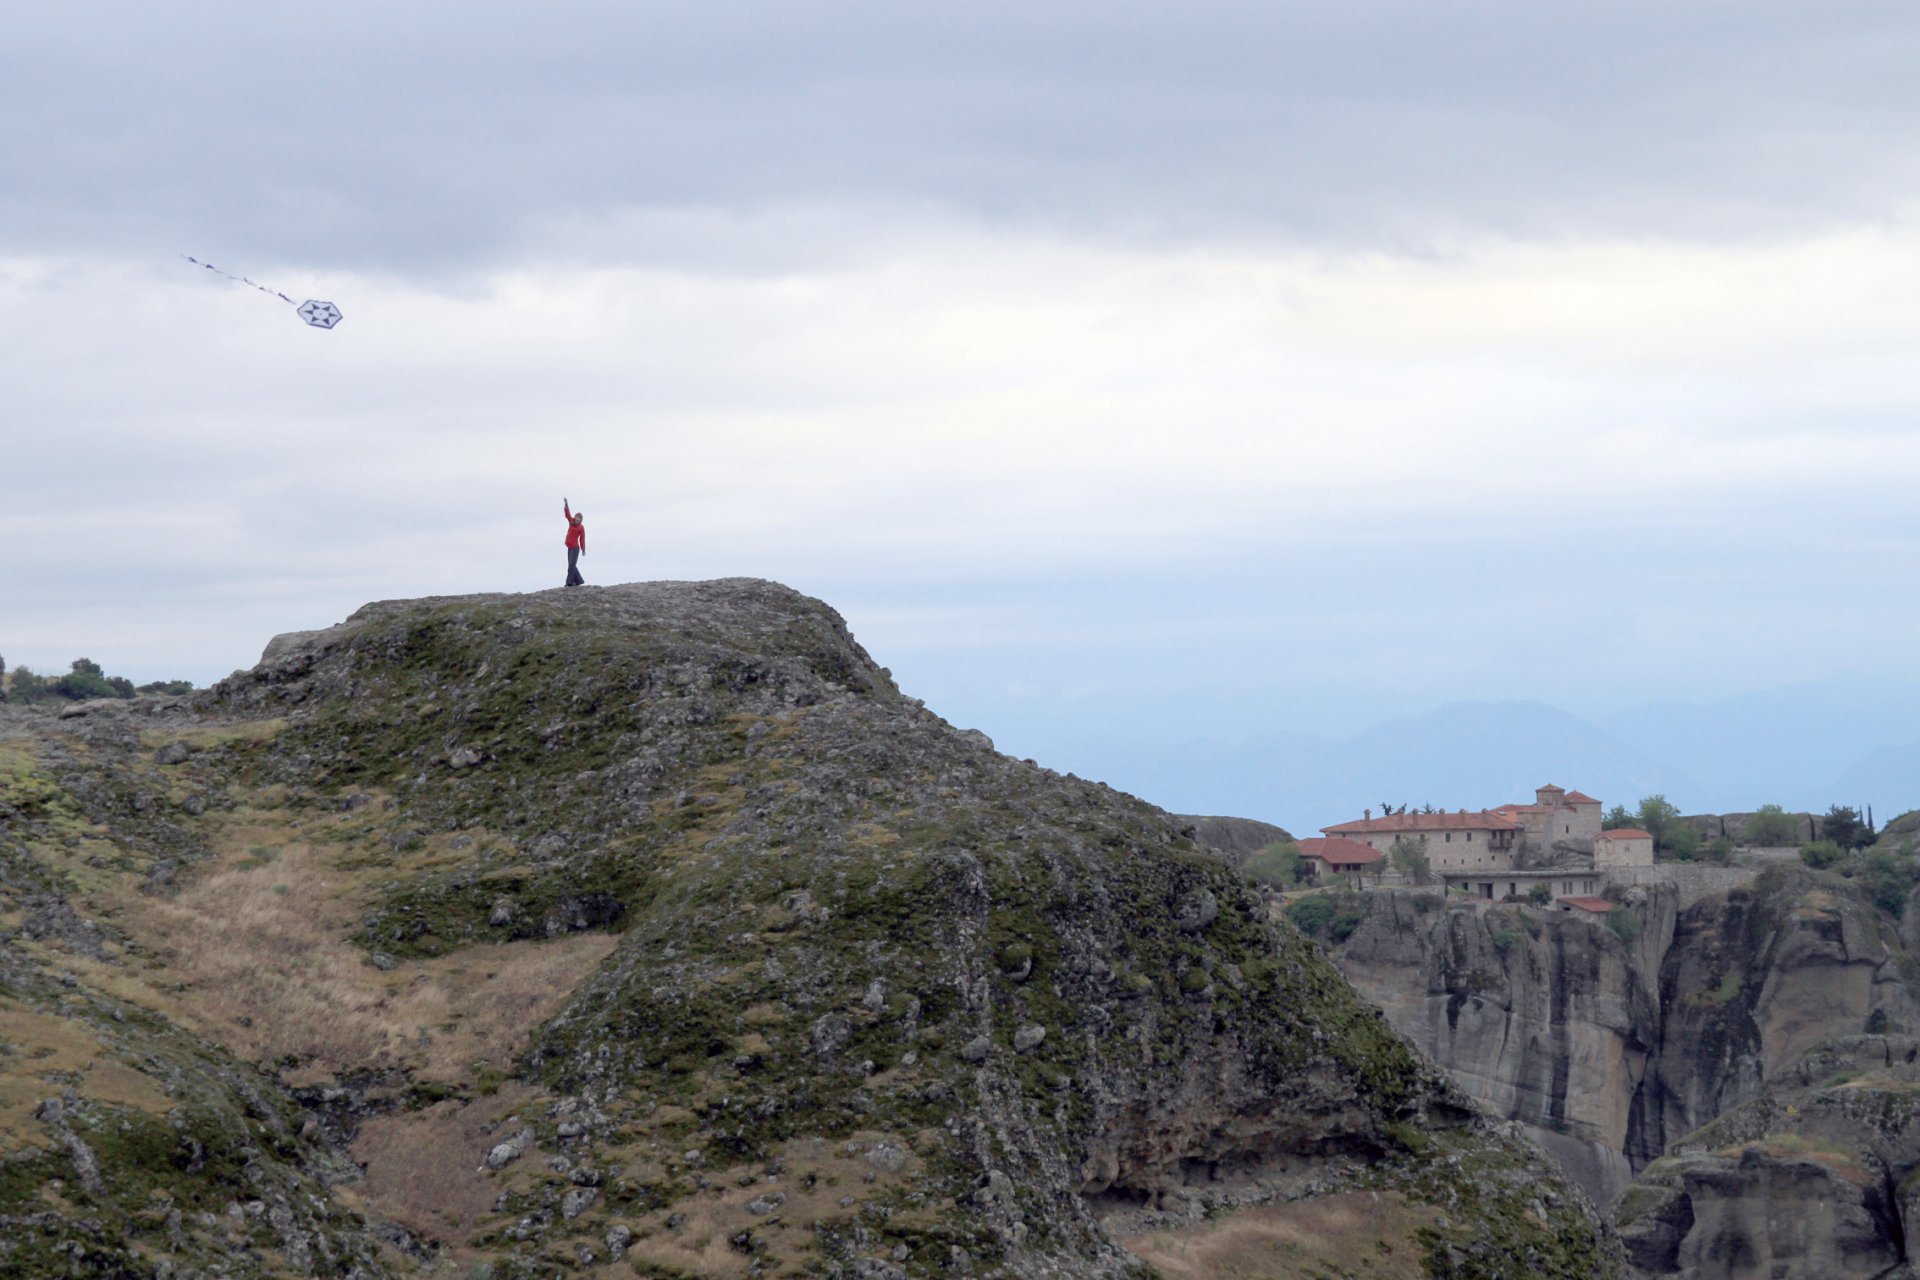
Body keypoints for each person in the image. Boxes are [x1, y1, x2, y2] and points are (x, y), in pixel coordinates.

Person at [563, 499, 586, 586]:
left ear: (581, 520)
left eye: (579, 518)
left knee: (571, 566)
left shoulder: (581, 527)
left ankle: (569, 583)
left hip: (575, 548)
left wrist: (583, 549)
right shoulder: (571, 521)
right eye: (576, 517)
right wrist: (566, 505)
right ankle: (579, 581)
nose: (577, 519)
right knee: (571, 565)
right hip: (569, 547)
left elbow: (582, 539)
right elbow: (567, 514)